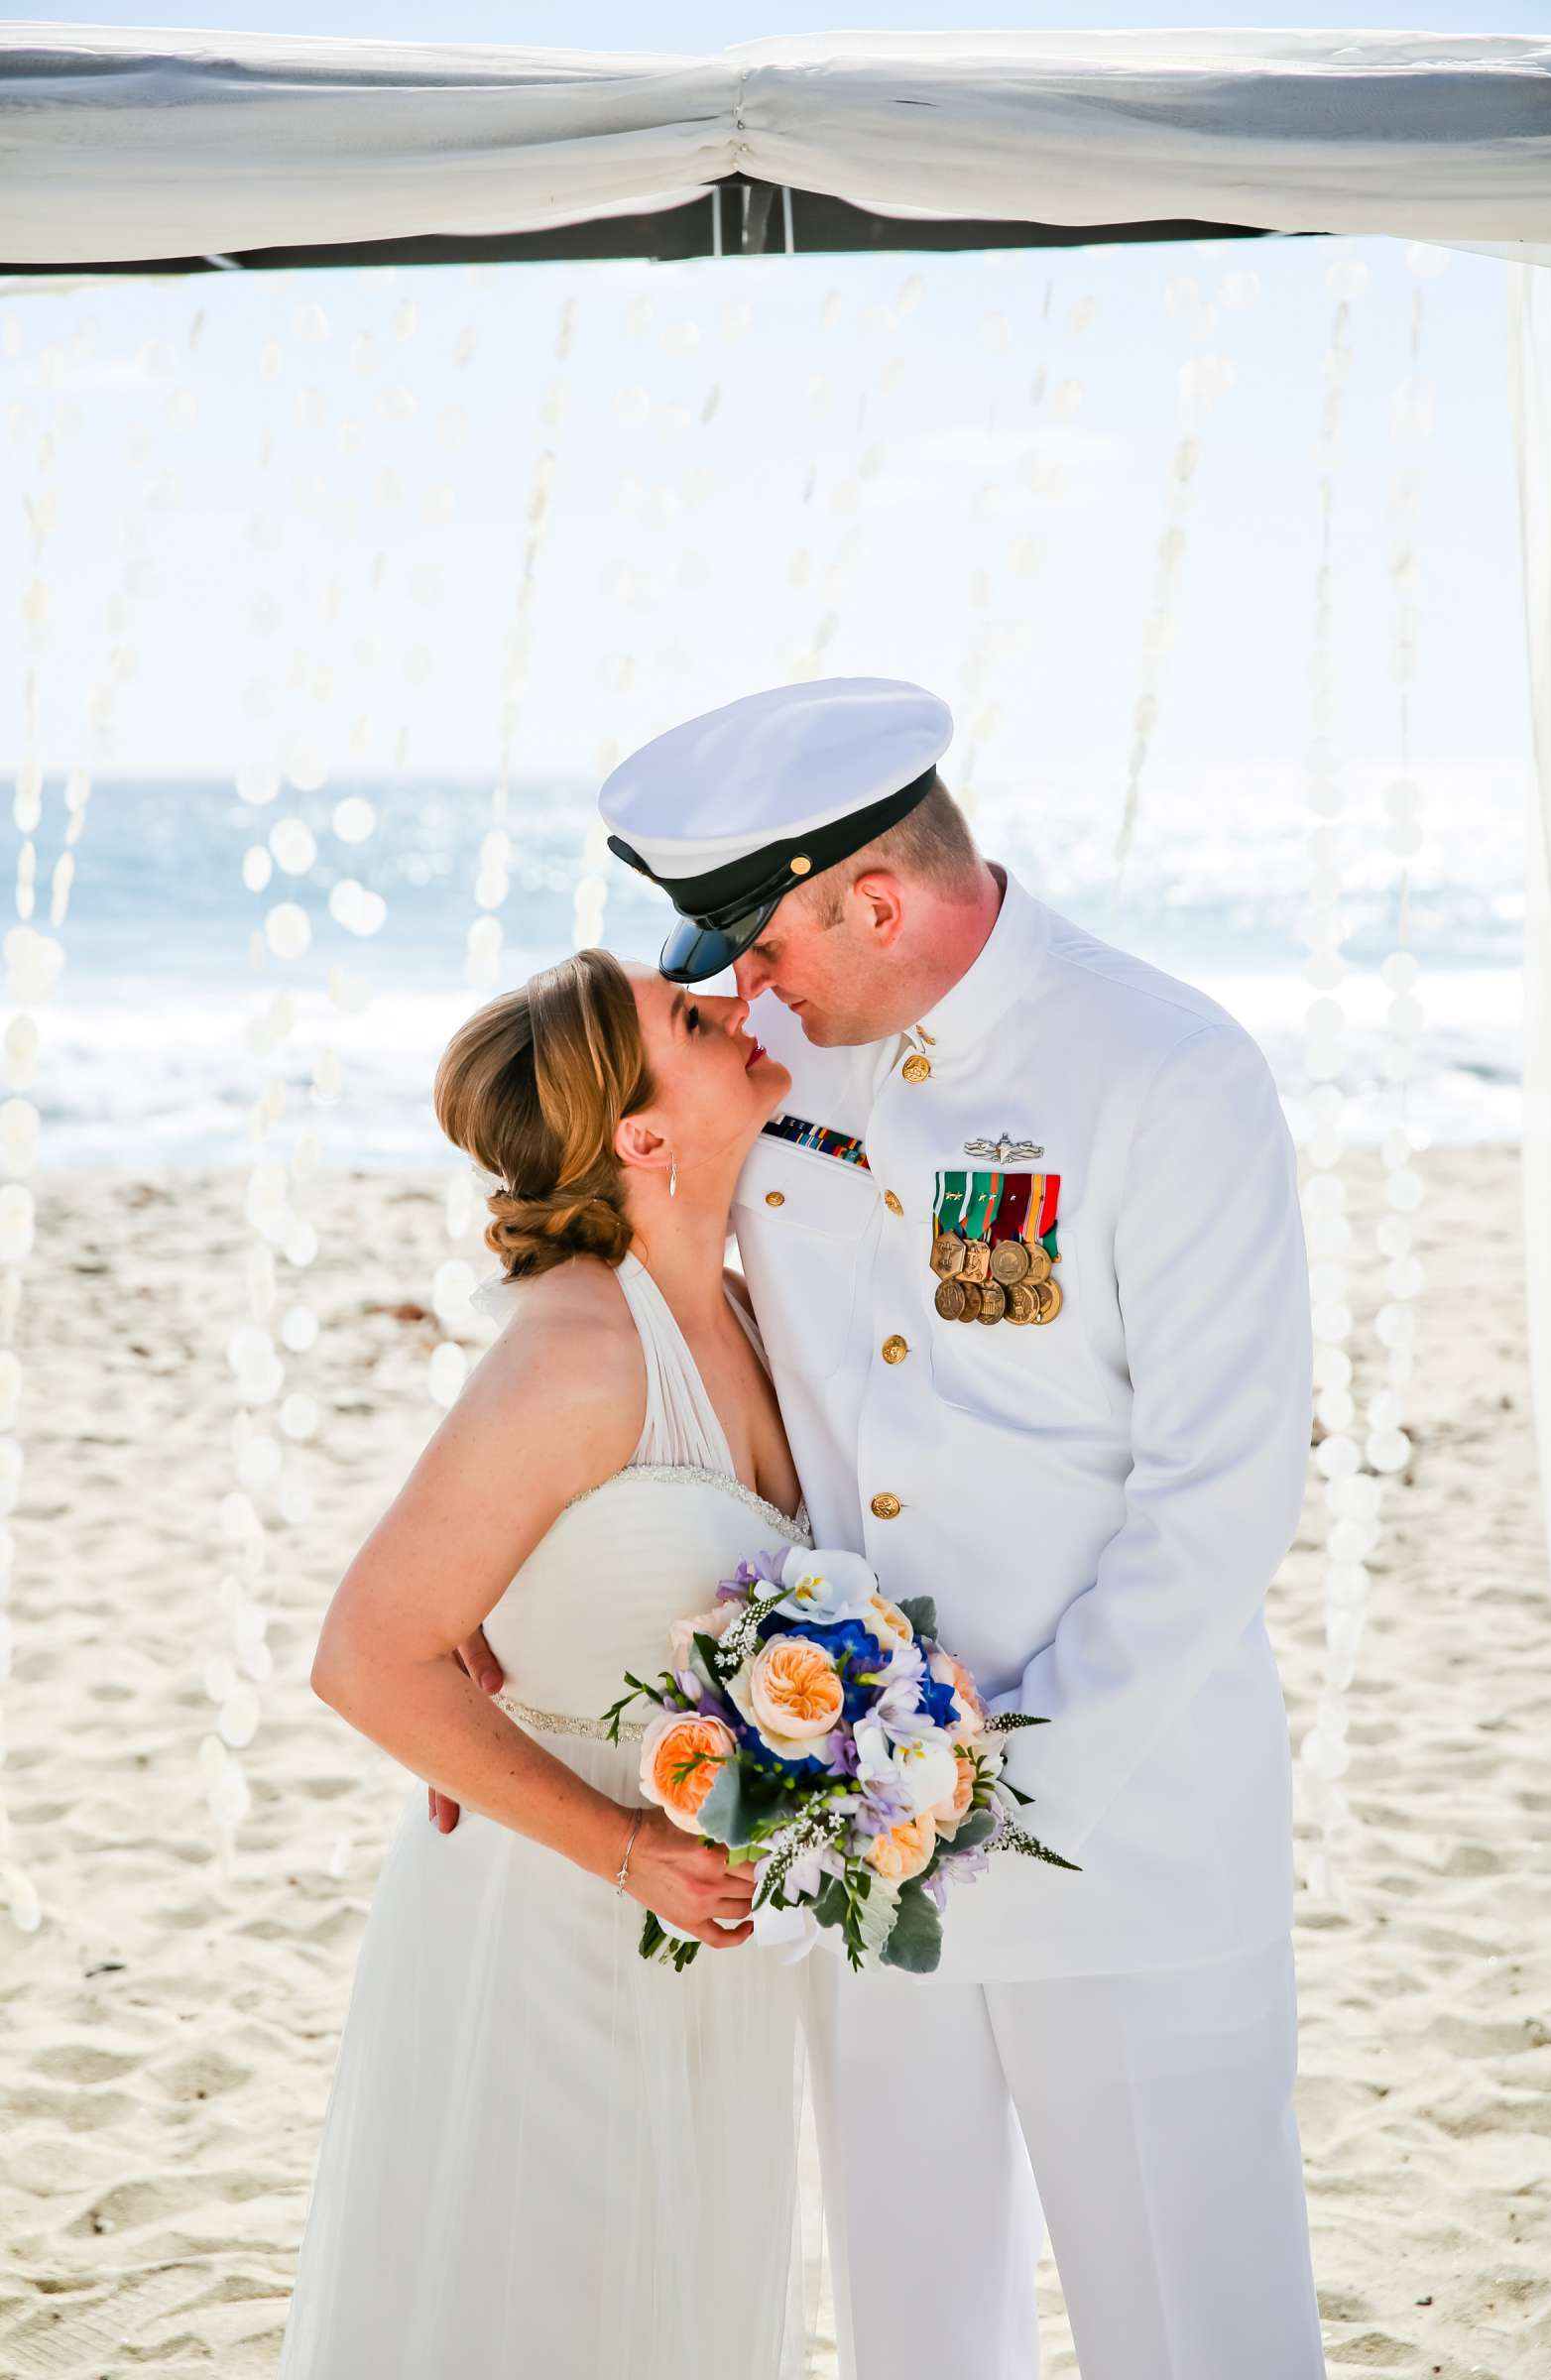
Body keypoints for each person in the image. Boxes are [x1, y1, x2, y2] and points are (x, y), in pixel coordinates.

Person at [440, 674, 1329, 2378]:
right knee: (921, 2336)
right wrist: (518, 1592)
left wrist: (1005, 1791)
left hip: (1123, 1844)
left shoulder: (1166, 1072)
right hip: (858, 1863)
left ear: (874, 895)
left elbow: (1219, 1499)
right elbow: (616, 1284)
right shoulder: (771, 1075)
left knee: (1198, 2326)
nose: (739, 994)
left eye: (760, 948)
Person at [278, 945, 815, 2380]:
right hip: (560, 1915)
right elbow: (365, 1655)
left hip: (709, 1927)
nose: (745, 1010)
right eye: (701, 1022)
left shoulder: (757, 1306)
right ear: (643, 1137)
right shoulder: (581, 1348)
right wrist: (628, 1849)